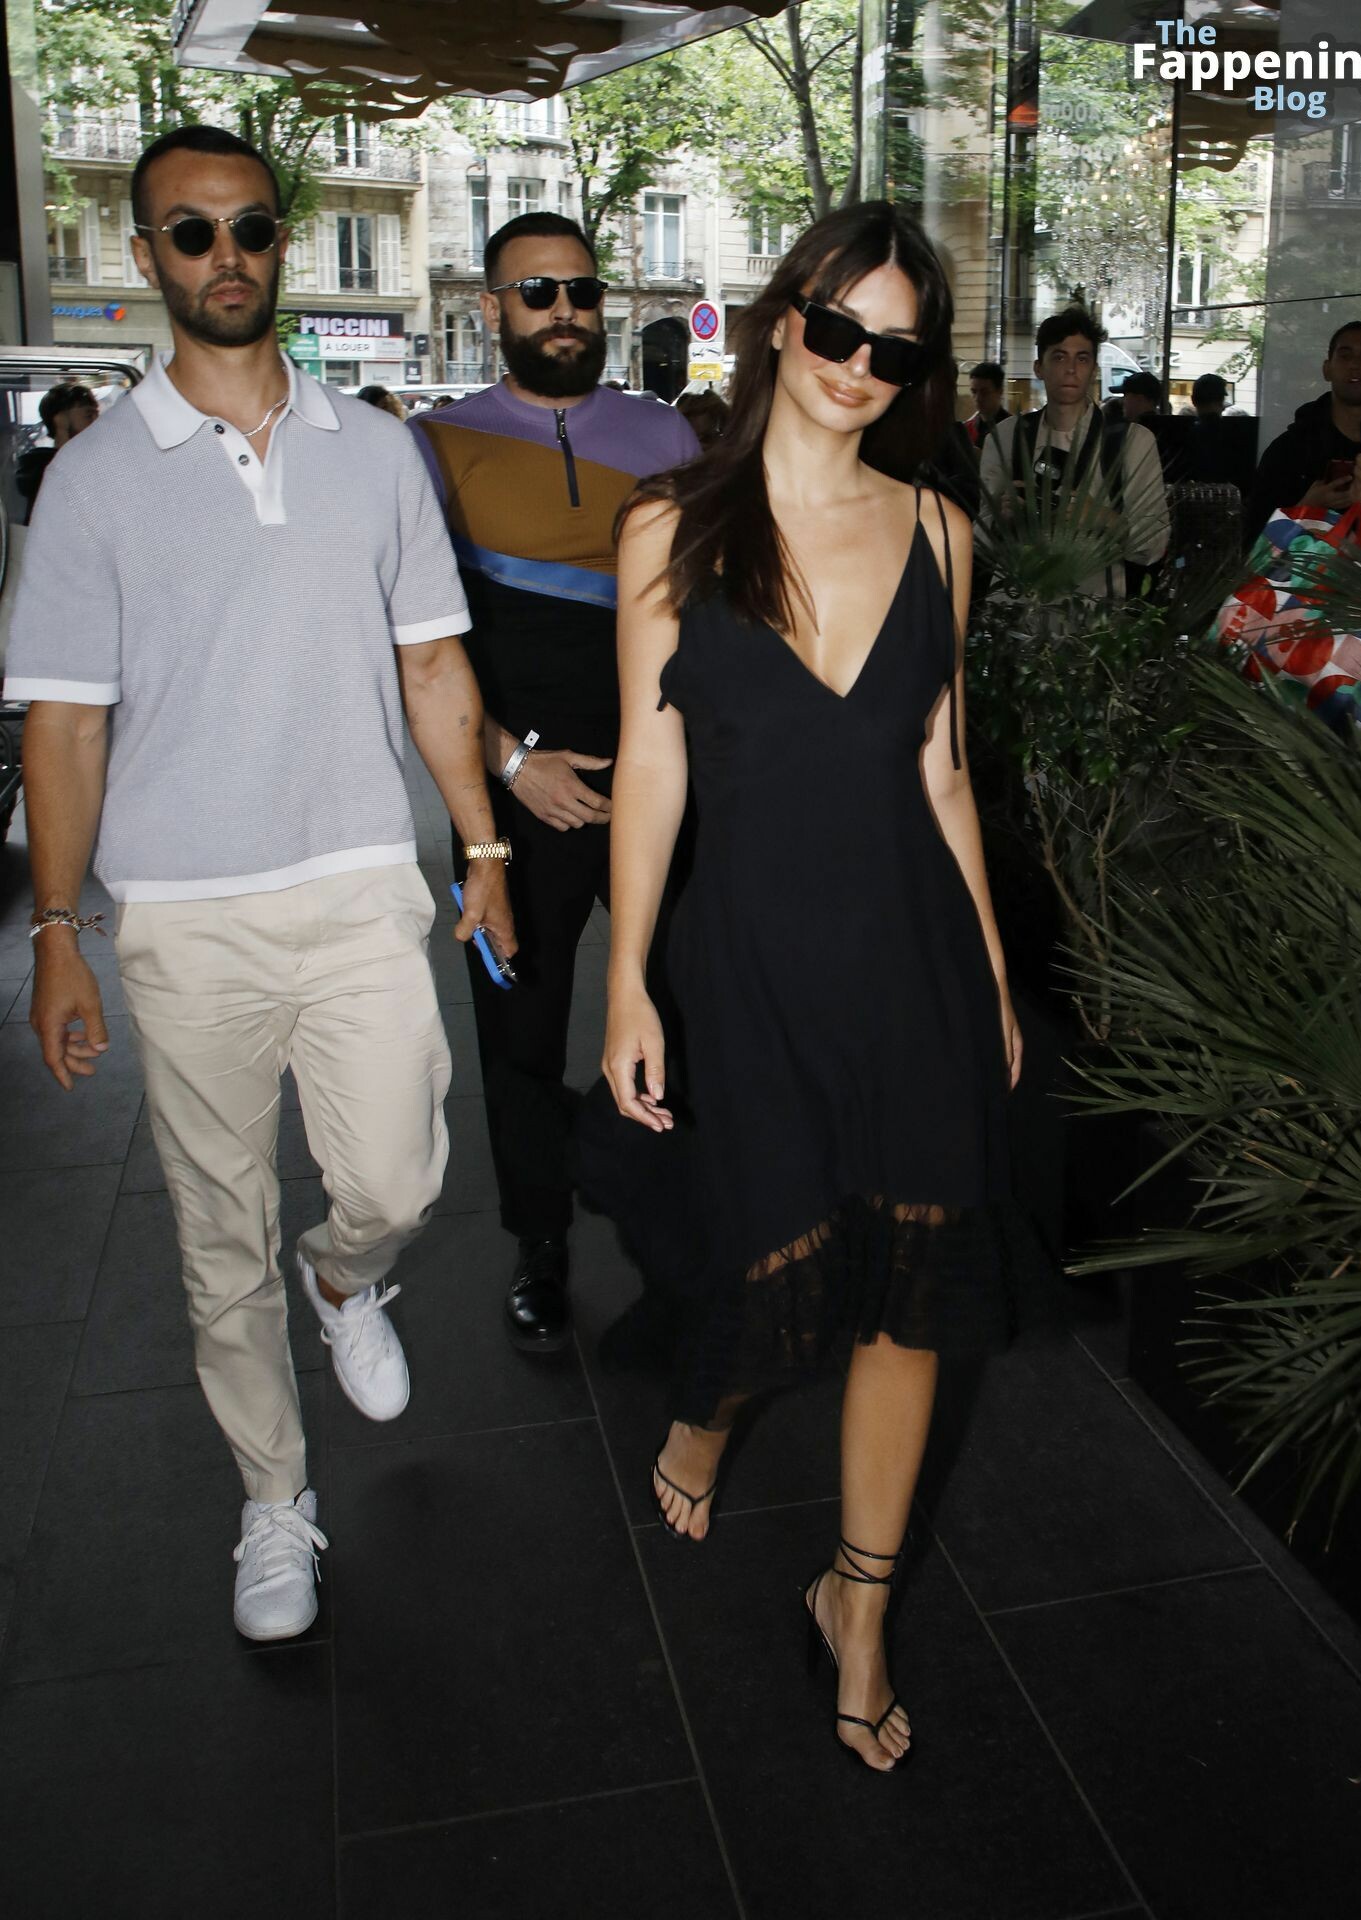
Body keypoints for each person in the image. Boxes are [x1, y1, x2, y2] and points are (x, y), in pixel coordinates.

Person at [4, 125, 514, 1643]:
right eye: (190, 231)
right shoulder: (94, 480)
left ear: (281, 243)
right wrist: (56, 930)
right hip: (184, 913)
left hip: (359, 882)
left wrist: (484, 850)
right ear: (147, 254)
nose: (224, 255)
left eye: (248, 227)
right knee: (212, 1228)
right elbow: (64, 724)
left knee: (398, 1180)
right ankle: (274, 1501)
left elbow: (435, 666)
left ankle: (345, 1280)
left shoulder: (376, 450)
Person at [605, 201, 1022, 1773]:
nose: (858, 366)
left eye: (894, 350)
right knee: (764, 1253)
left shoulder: (942, 536)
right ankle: (707, 1414)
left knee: (907, 1294)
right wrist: (628, 980)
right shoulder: (669, 528)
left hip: (910, 957)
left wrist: (992, 977)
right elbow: (652, 767)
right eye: (838, 329)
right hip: (748, 960)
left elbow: (945, 772)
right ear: (786, 319)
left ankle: (858, 1600)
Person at [410, 212, 698, 1357]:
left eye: (580, 290)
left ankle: (678, 1228)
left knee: (684, 1006)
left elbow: (701, 609)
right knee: (517, 1032)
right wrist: (507, 763)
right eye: (537, 293)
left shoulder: (664, 433)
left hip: (659, 777)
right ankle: (538, 1241)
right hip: (511, 796)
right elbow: (409, 640)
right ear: (492, 309)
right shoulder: (434, 445)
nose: (564, 311)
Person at [979, 306, 1169, 600]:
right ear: (1039, 367)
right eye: (1059, 357)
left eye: (1082, 358)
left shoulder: (1131, 442)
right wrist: (1000, 520)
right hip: (1013, 609)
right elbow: (977, 537)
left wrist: (1104, 520)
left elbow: (1155, 544)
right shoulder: (1006, 437)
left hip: (1092, 615)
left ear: (1093, 369)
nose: (1071, 369)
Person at [1247, 321, 1361, 540]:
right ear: (1327, 369)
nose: (1355, 365)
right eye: (1345, 356)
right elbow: (1254, 541)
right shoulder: (1290, 450)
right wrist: (1307, 508)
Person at [16, 382, 99, 515]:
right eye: (88, 416)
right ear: (61, 420)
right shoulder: (38, 468)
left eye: (97, 415)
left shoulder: (97, 460)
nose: (96, 422)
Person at [964, 361, 1009, 448]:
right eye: (974, 392)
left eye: (984, 392)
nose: (978, 398)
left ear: (1000, 392)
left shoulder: (1013, 428)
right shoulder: (966, 430)